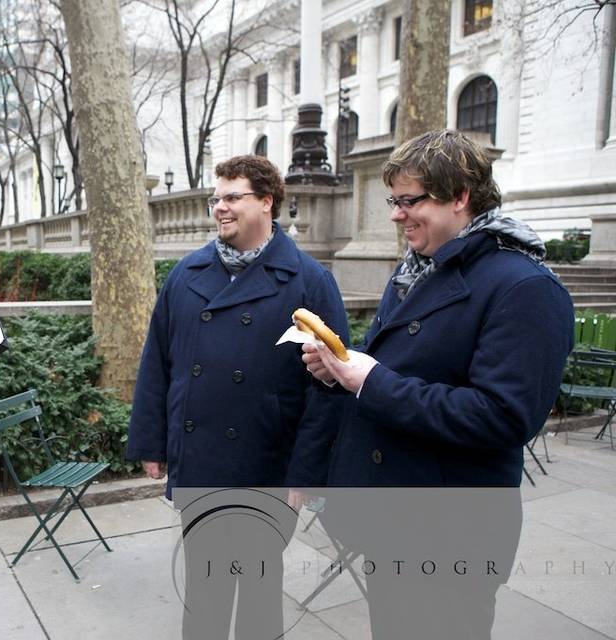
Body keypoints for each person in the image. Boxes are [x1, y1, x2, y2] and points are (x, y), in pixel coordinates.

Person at [302, 129, 574, 639]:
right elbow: (402, 368)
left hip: (452, 538)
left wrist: (372, 381)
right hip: (394, 523)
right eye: (393, 200)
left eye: (410, 201)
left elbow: (503, 416)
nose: (395, 214)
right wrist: (341, 375)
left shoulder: (526, 287)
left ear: (461, 197)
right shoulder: (418, 270)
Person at [127, 154, 349, 638]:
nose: (219, 208)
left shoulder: (309, 281)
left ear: (266, 201)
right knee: (203, 597)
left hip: (267, 468)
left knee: (258, 600)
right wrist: (152, 442)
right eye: (215, 198)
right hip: (200, 463)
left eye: (232, 197)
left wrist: (306, 474)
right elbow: (158, 363)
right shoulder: (185, 275)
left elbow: (330, 389)